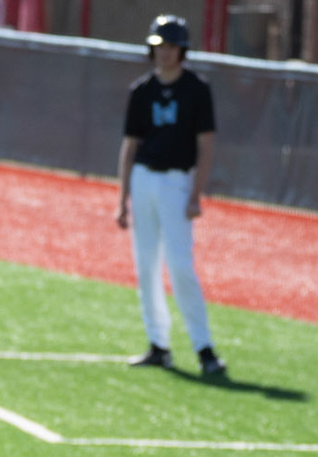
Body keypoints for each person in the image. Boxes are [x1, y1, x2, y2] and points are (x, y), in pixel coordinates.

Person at [116, 14, 225, 378]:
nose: (165, 52)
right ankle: (157, 344)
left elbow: (205, 145)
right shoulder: (141, 91)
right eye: (160, 46)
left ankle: (204, 348)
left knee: (179, 264)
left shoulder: (197, 90)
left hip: (178, 181)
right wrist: (122, 198)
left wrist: (196, 194)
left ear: (182, 50)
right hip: (144, 179)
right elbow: (130, 146)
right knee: (146, 265)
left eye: (172, 46)